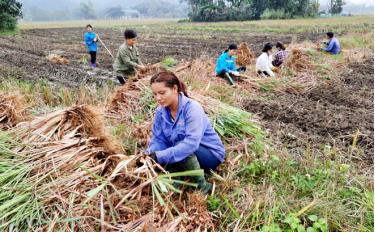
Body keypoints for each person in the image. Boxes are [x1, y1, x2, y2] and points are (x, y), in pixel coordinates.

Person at [146, 71, 225, 194]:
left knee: (182, 149)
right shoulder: (160, 112)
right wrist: (150, 155)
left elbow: (191, 144)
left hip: (209, 155)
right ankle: (177, 180)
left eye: (162, 93)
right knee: (163, 152)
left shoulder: (192, 109)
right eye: (155, 94)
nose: (158, 98)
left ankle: (202, 187)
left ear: (174, 88)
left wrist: (160, 156)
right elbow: (159, 139)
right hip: (185, 152)